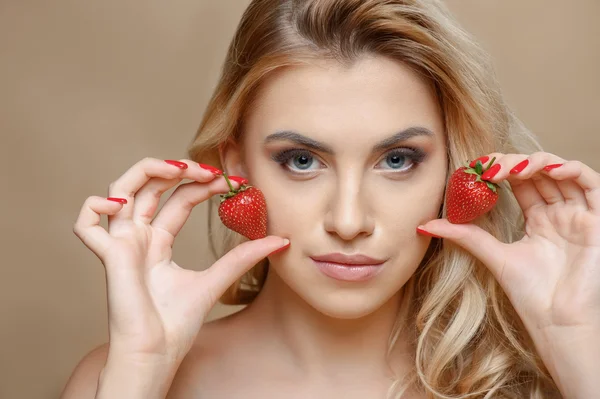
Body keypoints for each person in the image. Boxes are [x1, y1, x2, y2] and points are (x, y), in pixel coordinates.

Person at [61, 0, 600, 398]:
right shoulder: (120, 379)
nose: (348, 222)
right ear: (237, 167)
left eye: (397, 160)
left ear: (455, 170)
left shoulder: (546, 382)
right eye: (301, 160)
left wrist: (575, 345)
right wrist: (142, 368)